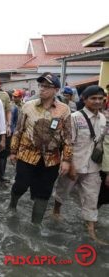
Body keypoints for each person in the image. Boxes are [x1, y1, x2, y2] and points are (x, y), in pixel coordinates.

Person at [9, 72, 72, 224]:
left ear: (56, 89)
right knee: (21, 185)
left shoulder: (64, 110)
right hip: (26, 154)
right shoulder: (28, 106)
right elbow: (18, 130)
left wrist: (67, 160)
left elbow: (68, 137)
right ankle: (12, 205)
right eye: (41, 85)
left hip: (51, 159)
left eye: (47, 86)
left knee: (44, 192)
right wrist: (13, 151)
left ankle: (35, 225)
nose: (42, 89)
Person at [53, 85, 106, 242]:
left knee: (91, 197)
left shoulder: (103, 118)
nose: (97, 101)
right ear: (84, 99)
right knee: (63, 191)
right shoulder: (75, 117)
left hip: (93, 167)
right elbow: (68, 143)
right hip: (73, 164)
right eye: (93, 98)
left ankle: (91, 230)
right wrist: (70, 165)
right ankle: (56, 211)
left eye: (100, 98)